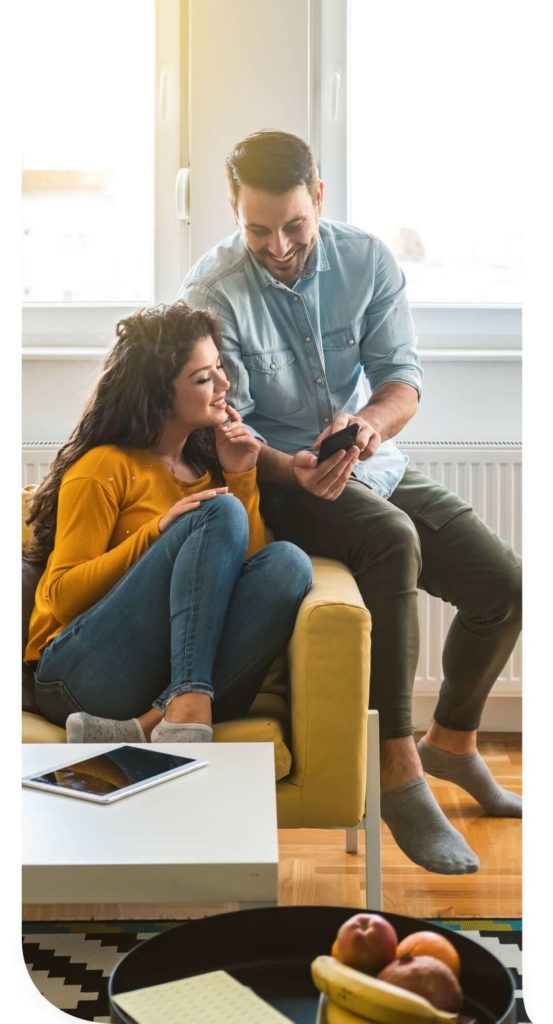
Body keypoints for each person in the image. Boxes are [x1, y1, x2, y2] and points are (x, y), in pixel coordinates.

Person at [178, 130, 522, 874]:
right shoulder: (209, 292)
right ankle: (396, 771)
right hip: (276, 477)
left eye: (293, 225)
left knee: (503, 587)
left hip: (368, 462)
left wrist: (366, 426)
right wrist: (289, 467)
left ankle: (452, 746)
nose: (277, 244)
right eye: (257, 228)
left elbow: (401, 380)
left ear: (320, 198)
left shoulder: (365, 259)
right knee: (391, 539)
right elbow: (218, 425)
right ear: (232, 210)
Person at [24, 300, 312, 745]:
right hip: (78, 676)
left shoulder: (208, 468)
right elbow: (62, 598)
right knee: (220, 510)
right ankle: (187, 699)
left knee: (289, 562)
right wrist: (157, 533)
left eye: (219, 367)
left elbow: (244, 584)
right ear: (159, 395)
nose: (224, 384)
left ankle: (157, 719)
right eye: (203, 378)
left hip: (160, 676)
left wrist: (241, 474)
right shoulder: (104, 466)